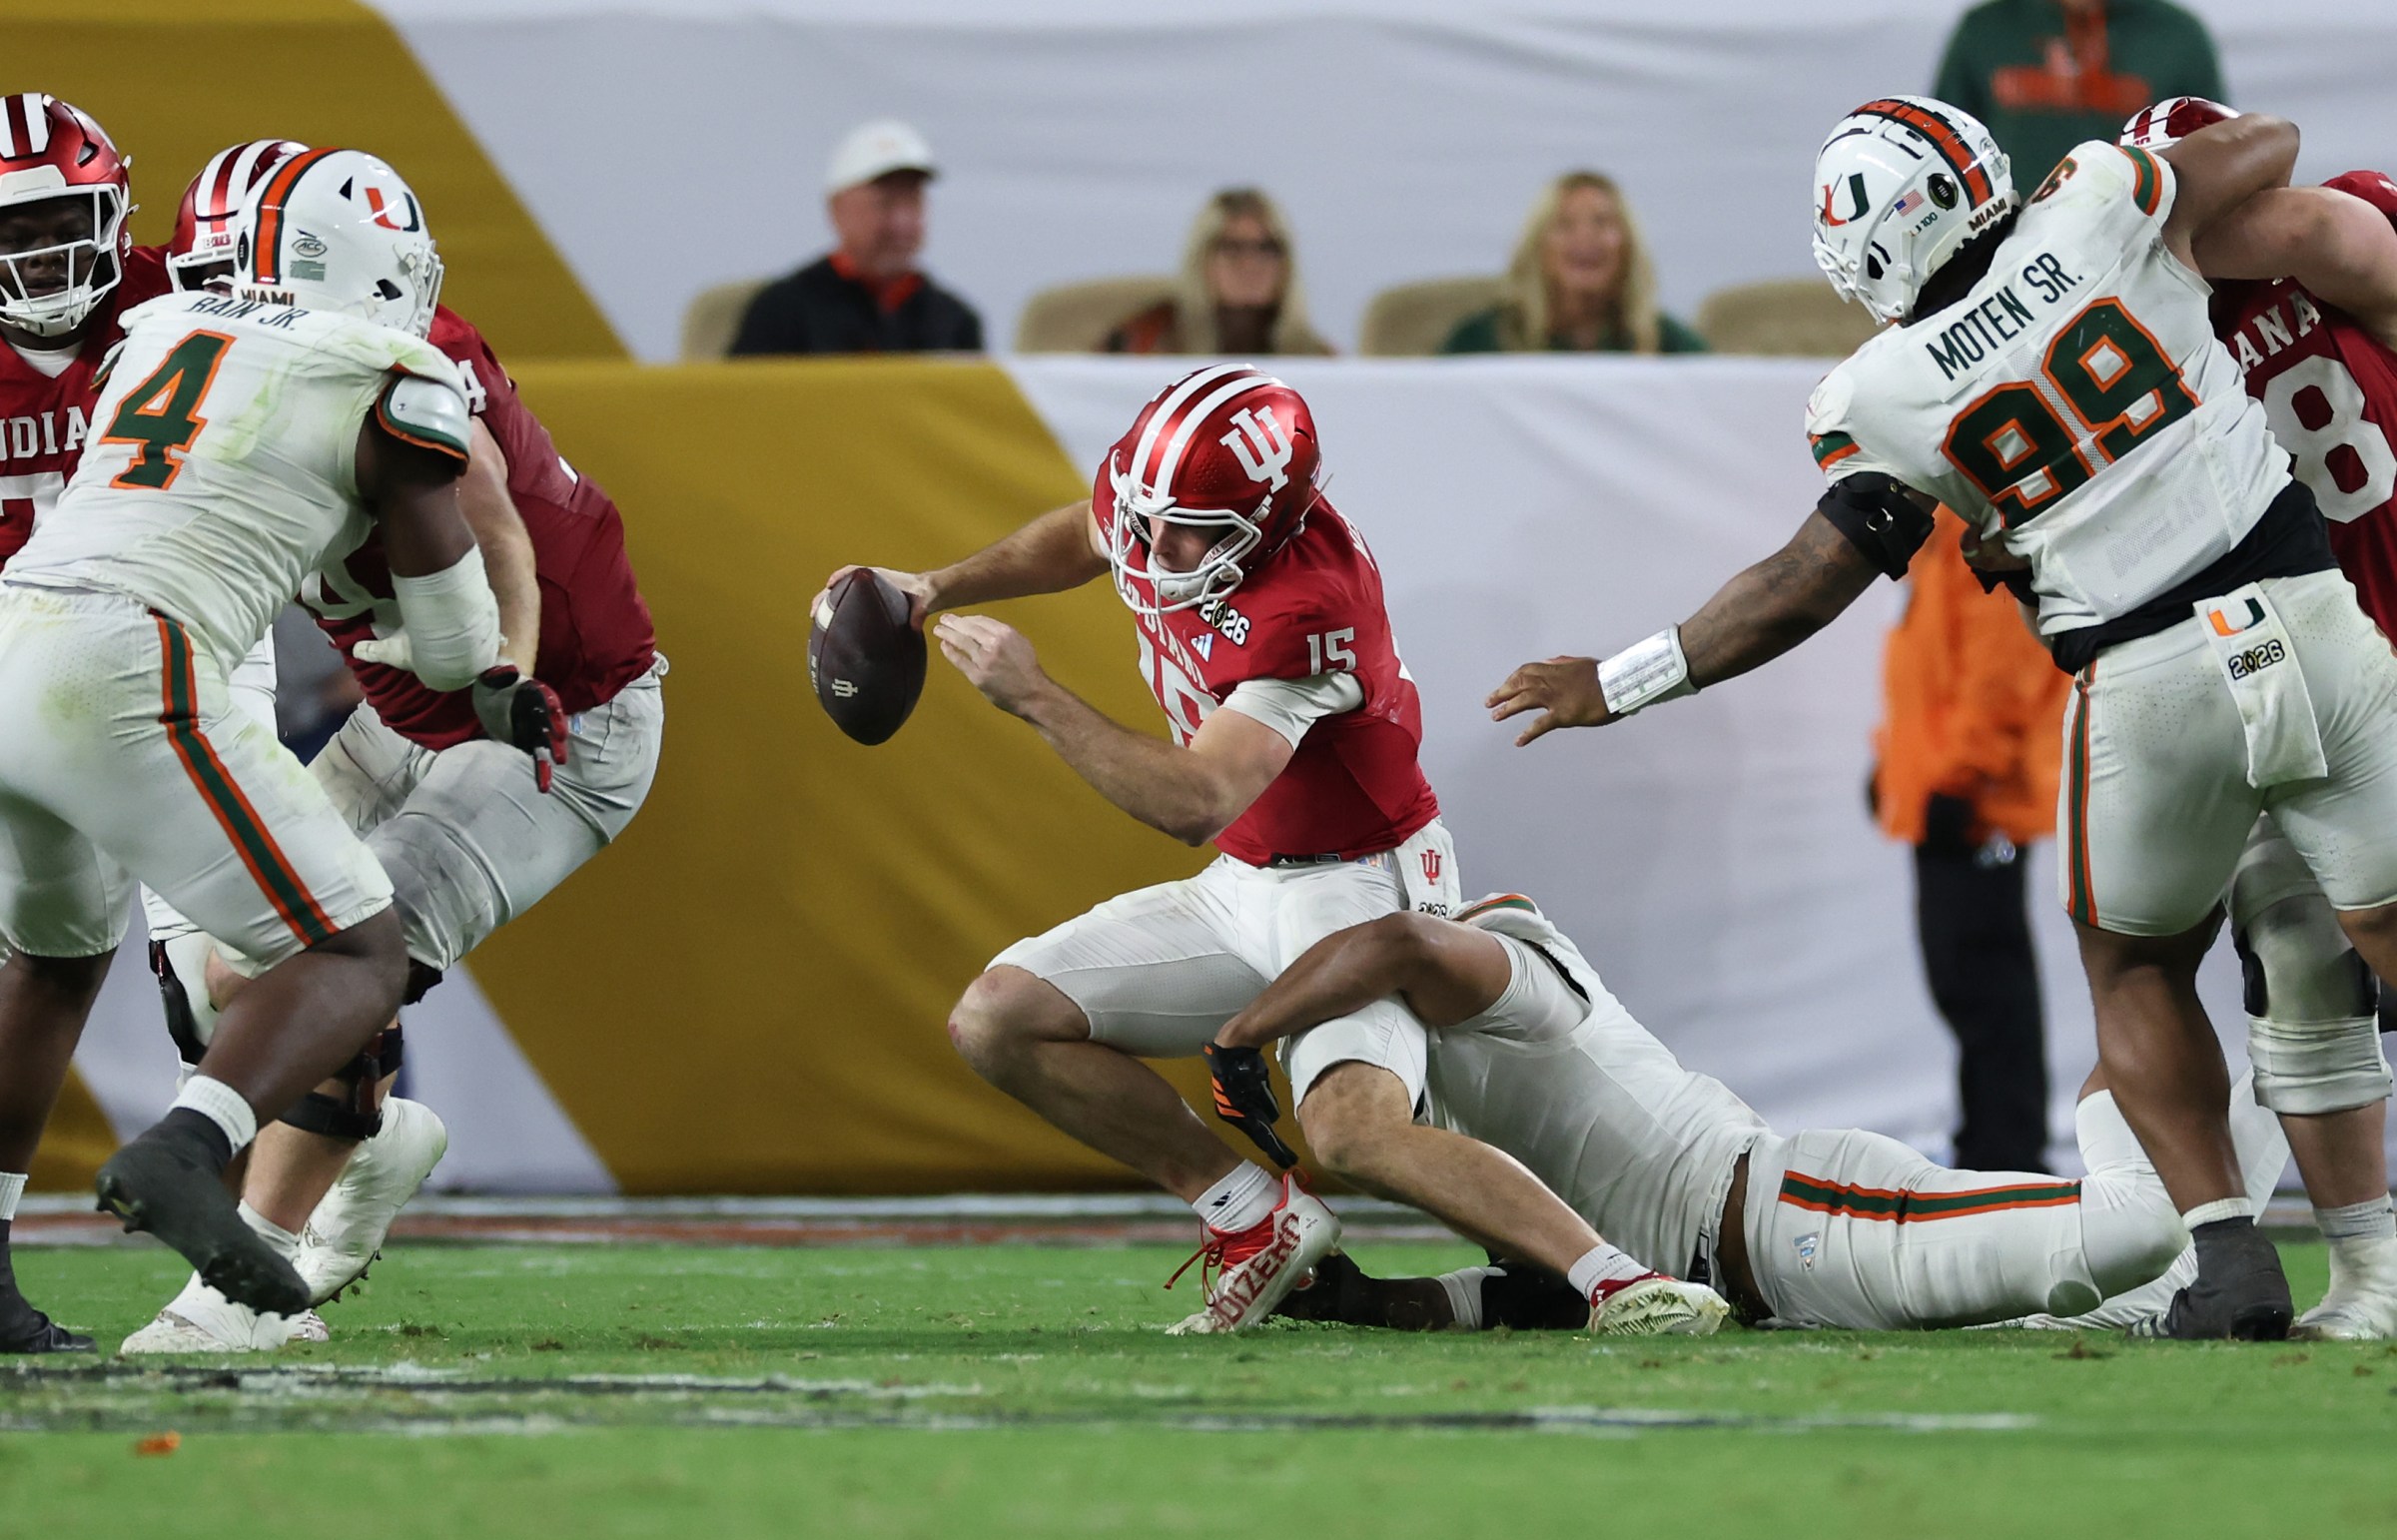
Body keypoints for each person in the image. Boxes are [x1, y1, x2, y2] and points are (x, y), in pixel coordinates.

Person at [1488, 97, 2397, 1341]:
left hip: (2143, 680)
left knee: (2134, 967)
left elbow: (1800, 585)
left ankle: (2225, 1253)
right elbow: (2271, 145)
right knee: (2368, 934)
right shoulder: (2091, 201)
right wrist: (2161, 207)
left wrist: (1621, 680)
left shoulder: (1874, 389)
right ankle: (2357, 1269)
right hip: (2311, 613)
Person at [825, 364, 1726, 1336]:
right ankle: (1253, 1218)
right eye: (1146, 514)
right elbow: (1088, 535)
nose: (1153, 545)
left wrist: (1037, 696)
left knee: (1350, 1133)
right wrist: (935, 587)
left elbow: (1195, 799)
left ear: (1269, 524)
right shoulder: (1161, 505)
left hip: (1360, 884)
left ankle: (1617, 1282)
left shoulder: (1304, 611)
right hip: (1251, 876)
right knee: (999, 1020)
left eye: (1188, 532)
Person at [0, 147, 564, 1334]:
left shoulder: (154, 330)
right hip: (131, 658)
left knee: (48, 964)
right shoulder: (397, 372)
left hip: (13, 633)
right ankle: (189, 1149)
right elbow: (456, 643)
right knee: (353, 955)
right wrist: (488, 680)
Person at [119, 142, 666, 1354]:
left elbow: (499, 539)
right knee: (222, 984)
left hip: (555, 725)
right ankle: (372, 1140)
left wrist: (506, 676)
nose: (224, 306)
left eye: (246, 277)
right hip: (395, 717)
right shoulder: (261, 336)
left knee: (325, 967)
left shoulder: (413, 366)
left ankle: (241, 1287)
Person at [1201, 893, 2185, 1333]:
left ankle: (2158, 1059)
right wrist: (1364, 1300)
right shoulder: (1453, 1131)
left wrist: (1246, 1029)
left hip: (1801, 1217)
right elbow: (1533, 1298)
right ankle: (2222, 1213)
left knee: (2136, 1228)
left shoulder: (1514, 976)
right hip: (1784, 1289)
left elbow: (1402, 941)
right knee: (2168, 1306)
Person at [2104, 96, 2397, 1339]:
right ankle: (2374, 1277)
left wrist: (2136, 229)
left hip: (2359, 650)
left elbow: (2322, 227)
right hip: (2297, 679)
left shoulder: (2328, 231)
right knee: (2295, 958)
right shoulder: (2133, 341)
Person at [0, 94, 181, 1353]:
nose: (46, 252)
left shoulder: (186, 309)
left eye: (67, 218)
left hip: (148, 664)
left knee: (63, 958)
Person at [1875, 509, 2069, 1172]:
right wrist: (1893, 769)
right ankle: (1993, 1147)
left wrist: (1964, 772)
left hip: (1978, 798)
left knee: (1984, 980)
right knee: (1971, 977)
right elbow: (1928, 668)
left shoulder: (1973, 524)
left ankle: (2007, 1155)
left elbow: (2002, 661)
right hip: (1947, 790)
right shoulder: (1939, 529)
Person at [728, 119, 981, 357]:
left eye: (913, 202)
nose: (901, 222)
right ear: (837, 209)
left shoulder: (954, 321)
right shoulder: (782, 312)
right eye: (884, 203)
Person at [1935, 0, 2224, 199]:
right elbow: (1942, 150)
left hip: (2136, 255)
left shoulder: (2178, 36)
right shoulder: (1985, 29)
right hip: (2001, 256)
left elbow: (2214, 161)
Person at [1440, 173, 1705, 356]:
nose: (1585, 237)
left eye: (1602, 222)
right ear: (1537, 247)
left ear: (1629, 246)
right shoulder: (1481, 342)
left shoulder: (1666, 344)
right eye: (1564, 224)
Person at [1102, 189, 1333, 357]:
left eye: (1267, 248)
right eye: (1233, 247)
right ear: (1201, 259)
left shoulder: (1314, 359)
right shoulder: (1145, 342)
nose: (1250, 264)